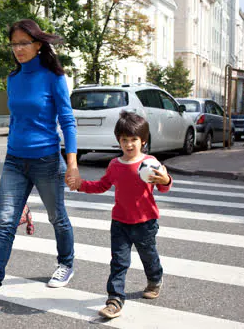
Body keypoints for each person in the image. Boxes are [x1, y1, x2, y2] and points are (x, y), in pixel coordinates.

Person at [0, 19, 80, 308]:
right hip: (14, 161)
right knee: (5, 222)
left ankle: (66, 263)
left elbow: (67, 121)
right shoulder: (13, 78)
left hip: (47, 160)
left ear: (38, 44)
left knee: (57, 217)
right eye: (14, 44)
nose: (18, 49)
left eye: (24, 43)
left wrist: (72, 163)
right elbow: (17, 121)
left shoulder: (53, 77)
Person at [67, 111, 172, 319]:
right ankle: (114, 300)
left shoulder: (150, 163)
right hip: (120, 223)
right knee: (118, 262)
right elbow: (102, 185)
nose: (129, 144)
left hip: (145, 222)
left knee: (148, 256)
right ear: (119, 141)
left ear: (143, 141)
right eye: (124, 140)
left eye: (134, 139)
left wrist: (166, 180)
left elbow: (164, 187)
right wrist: (80, 186)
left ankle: (155, 279)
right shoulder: (115, 165)